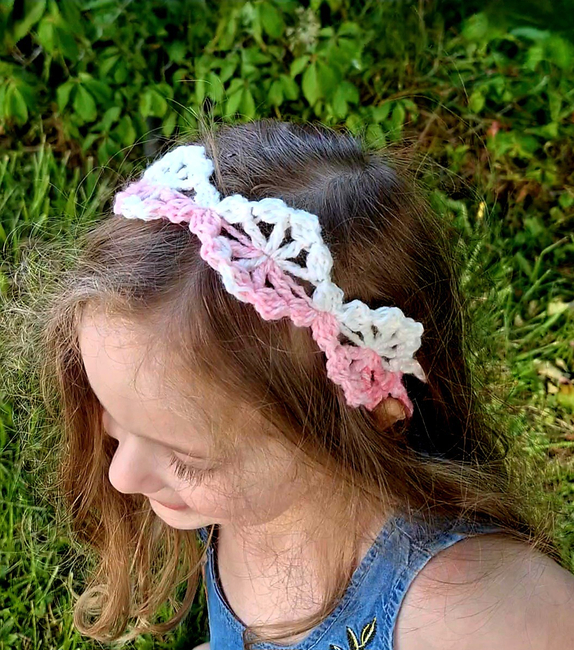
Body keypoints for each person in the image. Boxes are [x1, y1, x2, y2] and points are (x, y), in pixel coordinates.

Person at [37, 119, 574, 650]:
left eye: (187, 461)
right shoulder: (246, 499)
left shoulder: (468, 609)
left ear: (368, 411)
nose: (121, 476)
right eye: (113, 419)